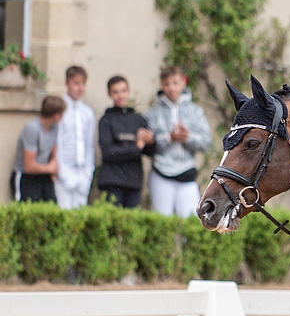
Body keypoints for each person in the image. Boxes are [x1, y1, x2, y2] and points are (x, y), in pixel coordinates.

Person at [145, 66, 212, 217]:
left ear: (183, 82)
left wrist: (188, 137)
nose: (171, 88)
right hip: (162, 173)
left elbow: (206, 142)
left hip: (187, 174)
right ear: (161, 85)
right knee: (162, 222)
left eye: (175, 83)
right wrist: (169, 138)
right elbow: (149, 146)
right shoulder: (153, 113)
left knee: (190, 220)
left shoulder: (195, 111)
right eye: (167, 84)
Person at [97, 75, 155, 208]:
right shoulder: (106, 120)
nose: (120, 95)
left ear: (128, 92)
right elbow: (108, 152)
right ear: (109, 94)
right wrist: (137, 146)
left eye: (123, 91)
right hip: (112, 181)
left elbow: (150, 152)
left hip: (133, 181)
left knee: (131, 222)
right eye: (115, 92)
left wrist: (150, 141)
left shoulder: (139, 120)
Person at [10, 95, 66, 202]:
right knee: (27, 212)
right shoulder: (32, 128)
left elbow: (53, 151)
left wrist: (53, 168)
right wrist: (50, 168)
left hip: (44, 175)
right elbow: (29, 166)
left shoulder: (55, 127)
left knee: (51, 208)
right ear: (56, 115)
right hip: (26, 177)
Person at [55, 65, 96, 208]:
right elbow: (57, 141)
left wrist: (88, 173)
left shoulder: (88, 112)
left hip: (82, 171)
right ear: (67, 83)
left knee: (79, 216)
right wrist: (62, 172)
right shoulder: (60, 109)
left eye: (83, 83)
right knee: (64, 213)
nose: (80, 88)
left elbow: (89, 144)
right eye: (76, 83)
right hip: (65, 169)